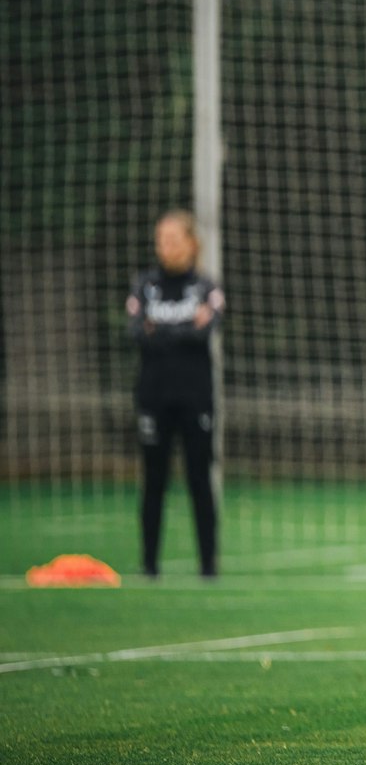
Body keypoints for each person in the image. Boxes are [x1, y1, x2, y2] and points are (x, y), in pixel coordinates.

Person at [126, 210, 226, 579]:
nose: (164, 246)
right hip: (154, 397)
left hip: (196, 398)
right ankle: (149, 564)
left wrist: (162, 331)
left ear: (191, 244)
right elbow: (137, 333)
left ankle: (208, 565)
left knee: (201, 480)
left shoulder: (206, 288)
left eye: (172, 239)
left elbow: (204, 333)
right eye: (160, 239)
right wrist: (184, 326)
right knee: (153, 481)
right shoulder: (144, 286)